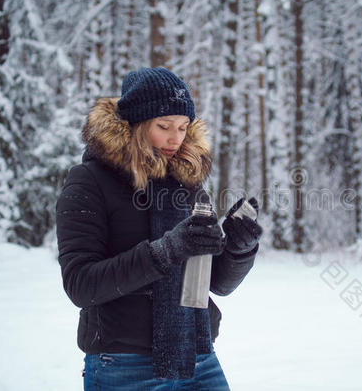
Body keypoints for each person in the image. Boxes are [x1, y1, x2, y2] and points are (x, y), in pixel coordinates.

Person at [55, 67, 263, 390]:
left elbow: (215, 282)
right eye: (163, 126)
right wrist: (165, 251)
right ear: (136, 123)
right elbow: (81, 283)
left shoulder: (186, 180)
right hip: (125, 363)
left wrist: (239, 248)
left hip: (197, 355)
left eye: (183, 127)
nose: (175, 138)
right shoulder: (89, 182)